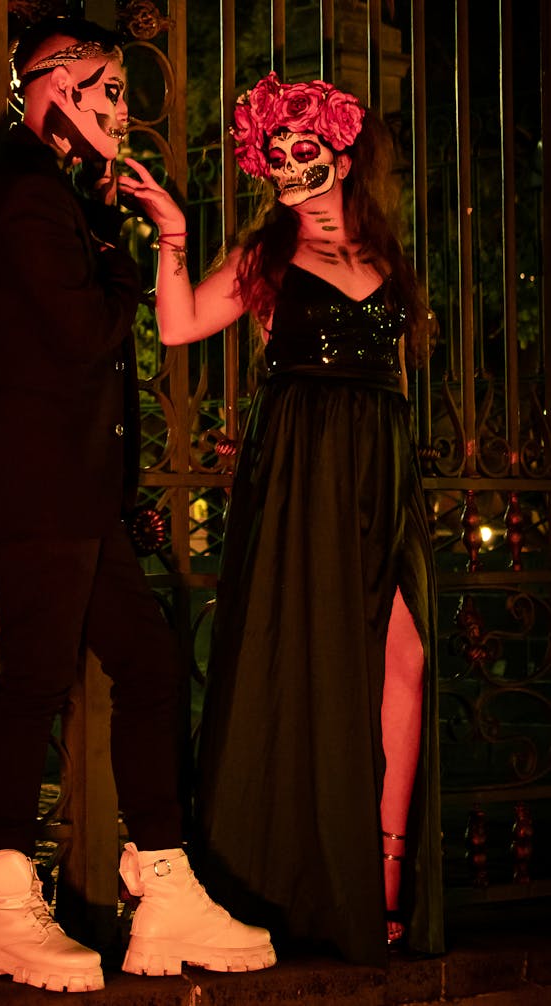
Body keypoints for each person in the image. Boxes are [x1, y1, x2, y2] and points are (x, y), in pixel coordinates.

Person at [0, 15, 276, 994]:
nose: (126, 112)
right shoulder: (22, 196)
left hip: (76, 489)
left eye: (126, 93)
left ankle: (164, 885)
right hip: (42, 484)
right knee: (37, 683)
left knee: (148, 660)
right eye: (109, 91)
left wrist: (155, 229)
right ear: (51, 85)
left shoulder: (58, 194)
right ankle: (6, 904)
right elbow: (89, 335)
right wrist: (134, 249)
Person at [118, 72, 445, 967]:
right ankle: (320, 880)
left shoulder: (386, 257)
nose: (292, 164)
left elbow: (397, 378)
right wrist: (175, 239)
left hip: (379, 459)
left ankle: (385, 873)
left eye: (307, 149)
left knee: (405, 658)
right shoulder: (268, 255)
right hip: (302, 460)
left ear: (342, 155)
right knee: (310, 655)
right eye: (277, 153)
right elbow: (181, 327)